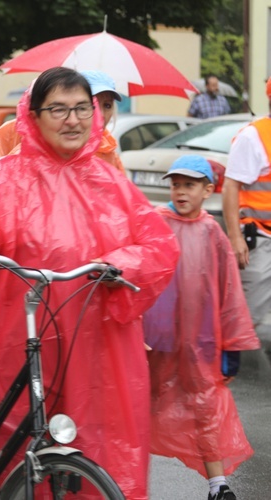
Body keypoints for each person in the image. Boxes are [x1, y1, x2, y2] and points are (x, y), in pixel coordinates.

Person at [0, 67, 179, 499]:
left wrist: (121, 263)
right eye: (59, 109)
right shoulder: (3, 180)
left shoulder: (110, 184)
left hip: (95, 344)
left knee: (93, 442)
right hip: (15, 339)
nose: (73, 119)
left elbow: (157, 244)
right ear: (34, 115)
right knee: (13, 445)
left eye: (82, 108)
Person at [144, 155, 259, 500]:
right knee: (138, 404)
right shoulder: (156, 224)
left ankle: (217, 484)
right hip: (155, 340)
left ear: (208, 190)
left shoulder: (213, 233)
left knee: (205, 406)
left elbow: (229, 292)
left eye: (189, 185)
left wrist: (232, 345)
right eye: (175, 184)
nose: (180, 191)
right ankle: (120, 477)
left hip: (200, 342)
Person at [0, 70, 125, 172]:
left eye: (107, 105)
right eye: (60, 109)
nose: (72, 120)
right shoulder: (15, 139)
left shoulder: (108, 153)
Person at [223, 76, 271, 328]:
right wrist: (235, 237)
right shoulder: (254, 136)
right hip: (261, 242)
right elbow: (231, 186)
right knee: (250, 323)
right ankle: (244, 368)